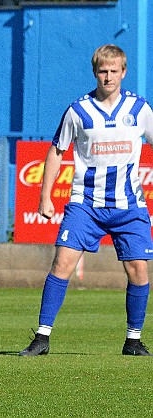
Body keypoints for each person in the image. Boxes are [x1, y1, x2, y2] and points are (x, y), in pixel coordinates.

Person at [19, 44, 153, 357]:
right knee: (62, 262)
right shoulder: (79, 111)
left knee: (138, 270)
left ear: (123, 72)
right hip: (85, 203)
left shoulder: (139, 109)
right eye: (102, 71)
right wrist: (45, 195)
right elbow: (56, 150)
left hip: (129, 205)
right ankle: (42, 337)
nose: (108, 77)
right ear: (95, 72)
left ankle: (133, 340)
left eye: (114, 71)